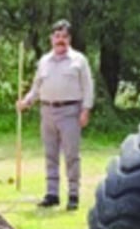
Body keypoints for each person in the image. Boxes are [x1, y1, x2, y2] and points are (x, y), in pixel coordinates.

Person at [17, 19, 94, 211]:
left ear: (70, 39)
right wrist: (26, 101)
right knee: (50, 154)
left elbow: (88, 87)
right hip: (47, 111)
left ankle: (73, 194)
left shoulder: (79, 60)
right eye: (57, 36)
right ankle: (52, 194)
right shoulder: (44, 61)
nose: (61, 40)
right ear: (52, 38)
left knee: (71, 155)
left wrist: (86, 109)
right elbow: (36, 87)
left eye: (64, 37)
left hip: (70, 111)